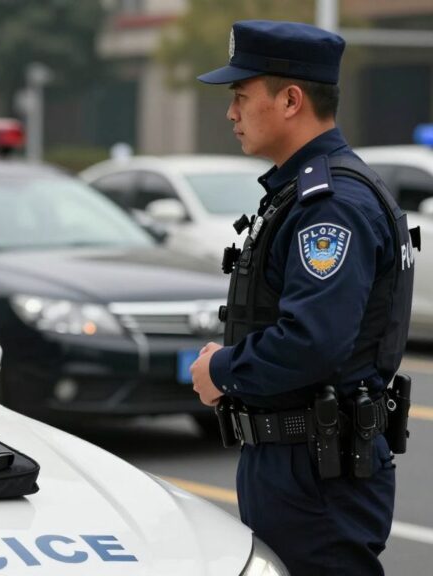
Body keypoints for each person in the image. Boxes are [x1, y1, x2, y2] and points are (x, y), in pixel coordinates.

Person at [190, 20, 418, 576]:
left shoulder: (330, 204)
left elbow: (313, 342)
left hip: (316, 473)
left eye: (241, 96)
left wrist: (222, 369)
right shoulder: (307, 191)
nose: (231, 112)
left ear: (291, 100)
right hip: (301, 463)